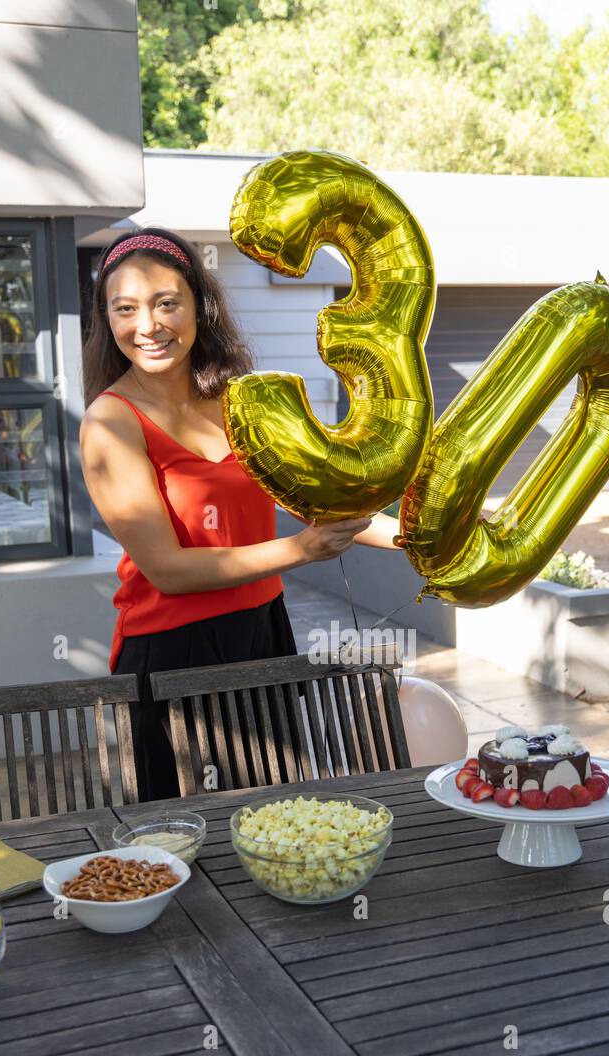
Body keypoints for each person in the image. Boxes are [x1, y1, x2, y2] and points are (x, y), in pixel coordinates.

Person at [79, 227, 401, 800]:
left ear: (199, 308)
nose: (147, 326)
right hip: (171, 646)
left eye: (165, 303)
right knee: (183, 830)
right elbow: (169, 571)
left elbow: (316, 501)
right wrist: (301, 550)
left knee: (278, 810)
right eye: (124, 309)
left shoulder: (241, 400)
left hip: (262, 629)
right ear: (107, 321)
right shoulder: (111, 422)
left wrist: (421, 538)